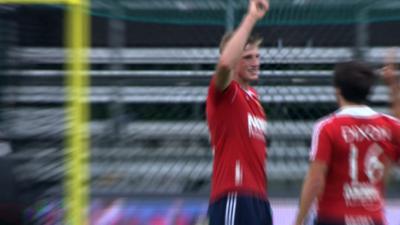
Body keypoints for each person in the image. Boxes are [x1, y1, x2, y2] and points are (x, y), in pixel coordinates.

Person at [294, 61, 400, 225]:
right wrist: (393, 88)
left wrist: (299, 220)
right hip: (373, 218)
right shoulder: (390, 126)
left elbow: (315, 179)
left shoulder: (327, 127)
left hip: (333, 217)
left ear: (337, 91)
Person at [205, 0, 271, 224]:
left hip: (259, 198)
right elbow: (224, 65)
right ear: (235, 60)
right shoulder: (225, 93)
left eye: (257, 56)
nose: (255, 63)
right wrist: (251, 17)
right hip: (233, 195)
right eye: (247, 57)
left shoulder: (254, 98)